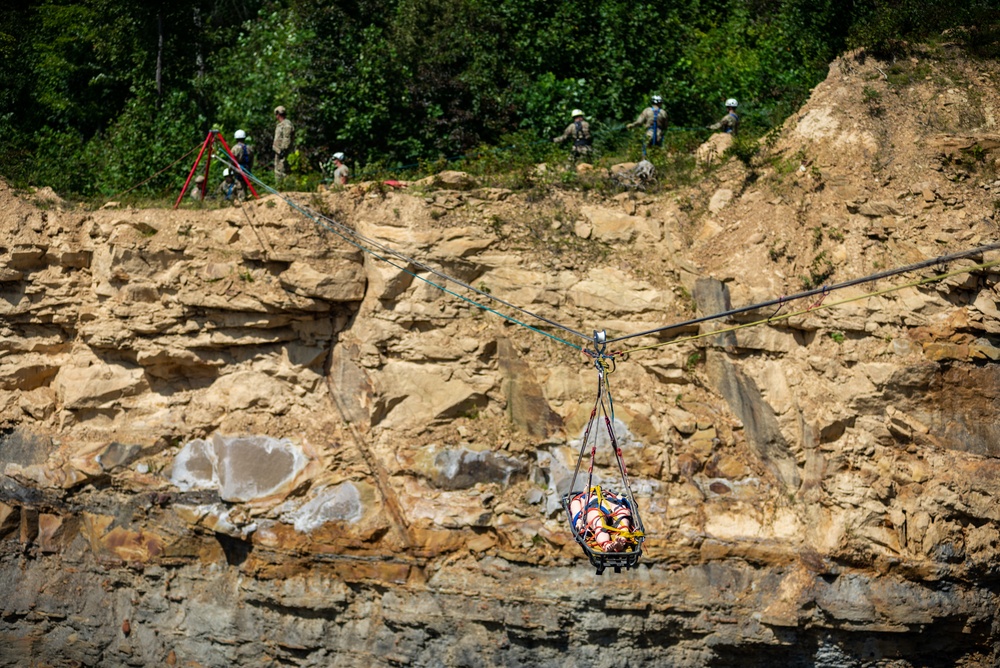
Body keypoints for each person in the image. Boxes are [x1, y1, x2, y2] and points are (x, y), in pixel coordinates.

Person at [568, 486, 638, 553]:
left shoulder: (610, 494)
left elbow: (624, 501)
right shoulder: (579, 498)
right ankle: (606, 544)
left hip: (614, 504)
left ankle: (622, 539)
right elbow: (576, 512)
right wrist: (579, 522)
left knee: (623, 517)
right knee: (598, 524)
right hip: (594, 507)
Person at [272, 105, 295, 183]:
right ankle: (279, 187)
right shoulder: (281, 124)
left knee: (282, 171)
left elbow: (286, 138)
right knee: (278, 170)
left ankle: (283, 187)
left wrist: (283, 150)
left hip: (283, 152)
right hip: (278, 151)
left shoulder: (286, 124)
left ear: (278, 114)